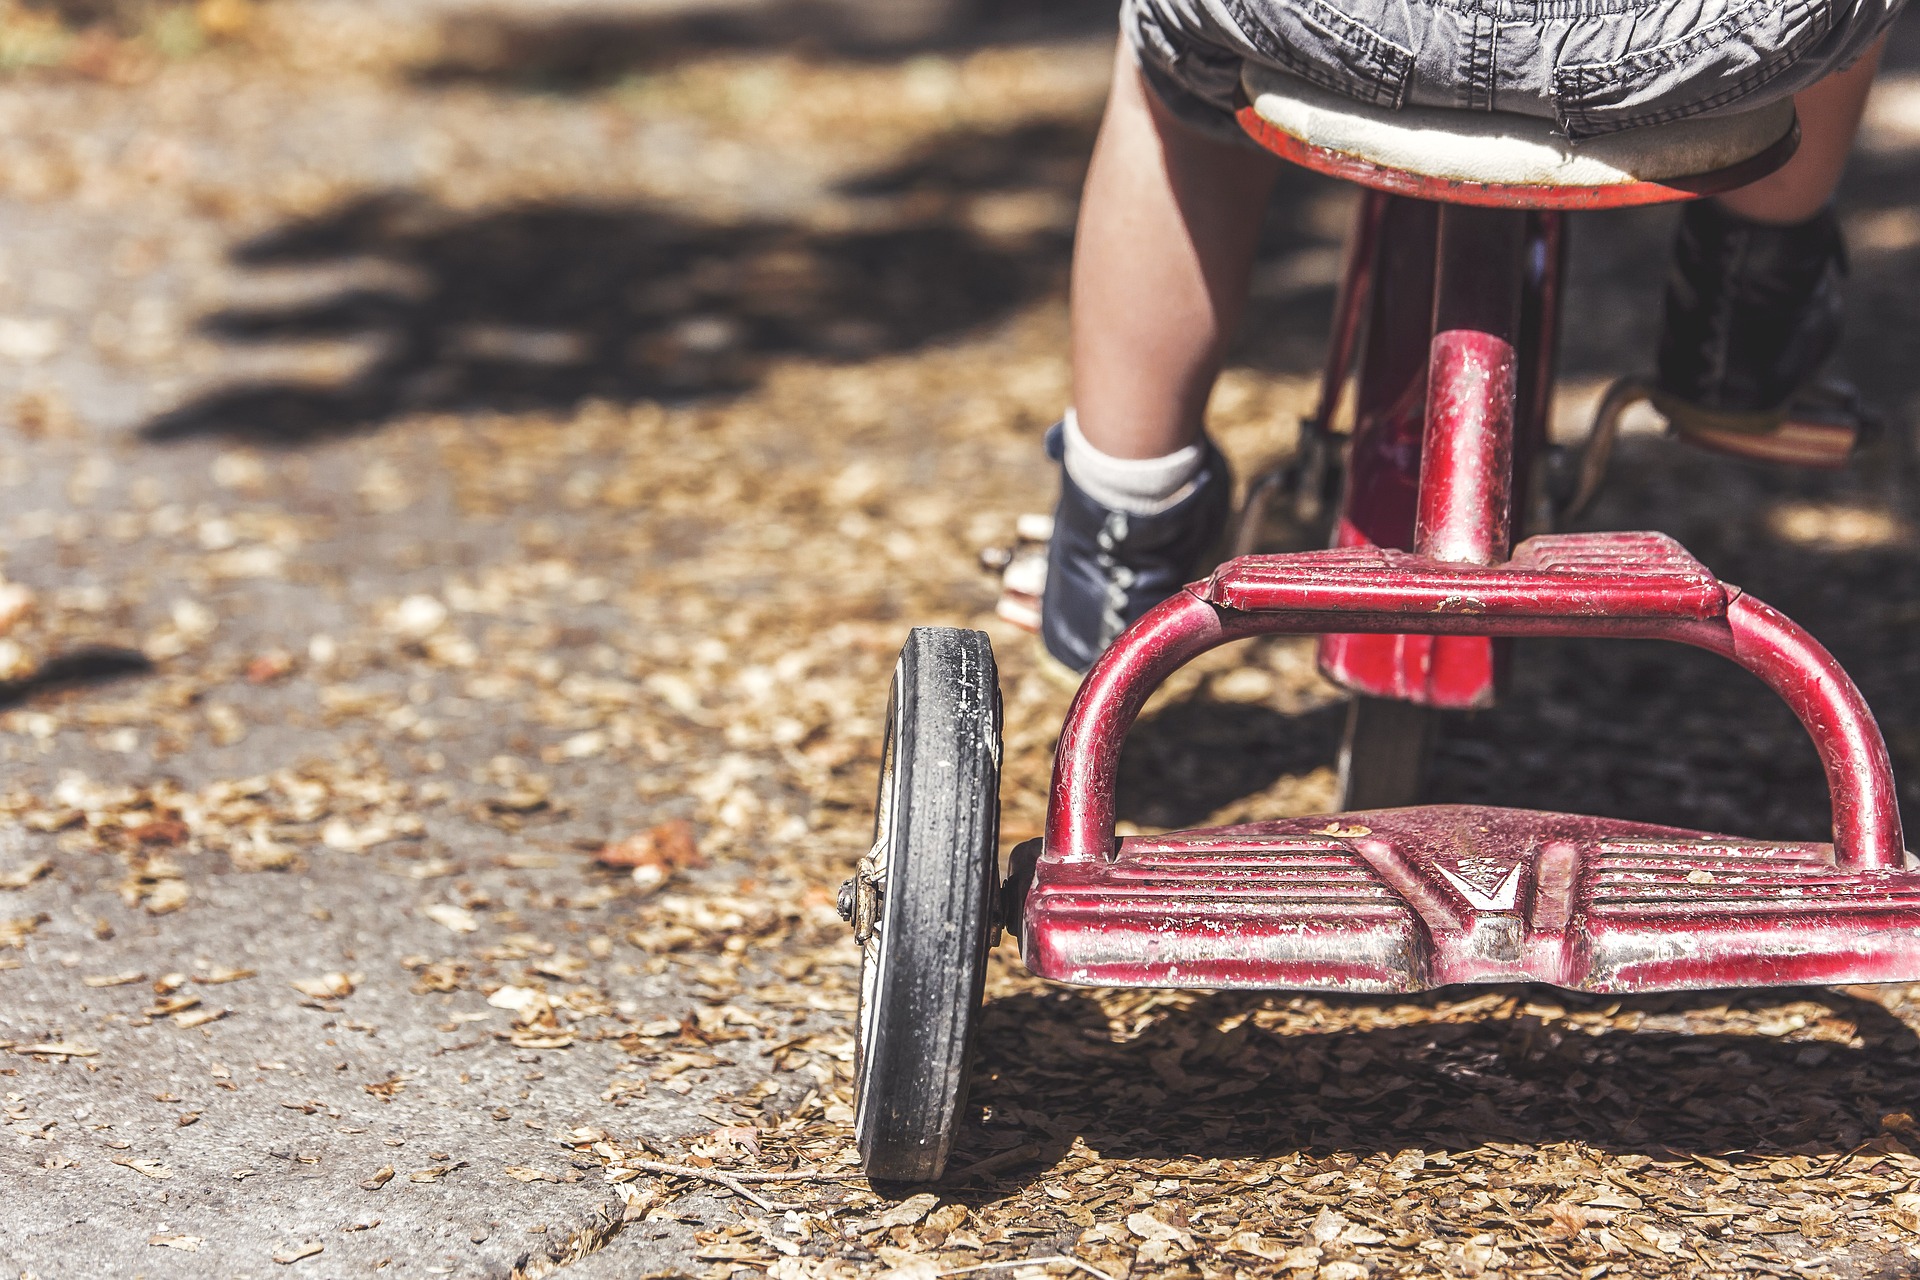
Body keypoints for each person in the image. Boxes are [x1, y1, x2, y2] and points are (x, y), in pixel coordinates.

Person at [1040, 0, 1905, 675]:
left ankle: (1122, 519)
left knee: (1170, 71)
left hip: (1323, 23)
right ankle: (1744, 329)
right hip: (1693, 34)